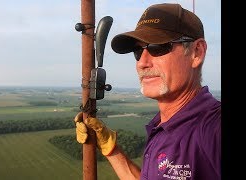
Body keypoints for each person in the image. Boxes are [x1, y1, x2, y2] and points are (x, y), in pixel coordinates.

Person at [74, 3, 221, 180]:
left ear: (196, 52)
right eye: (138, 51)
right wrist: (110, 149)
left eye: (158, 47)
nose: (142, 62)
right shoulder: (161, 127)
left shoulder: (213, 128)